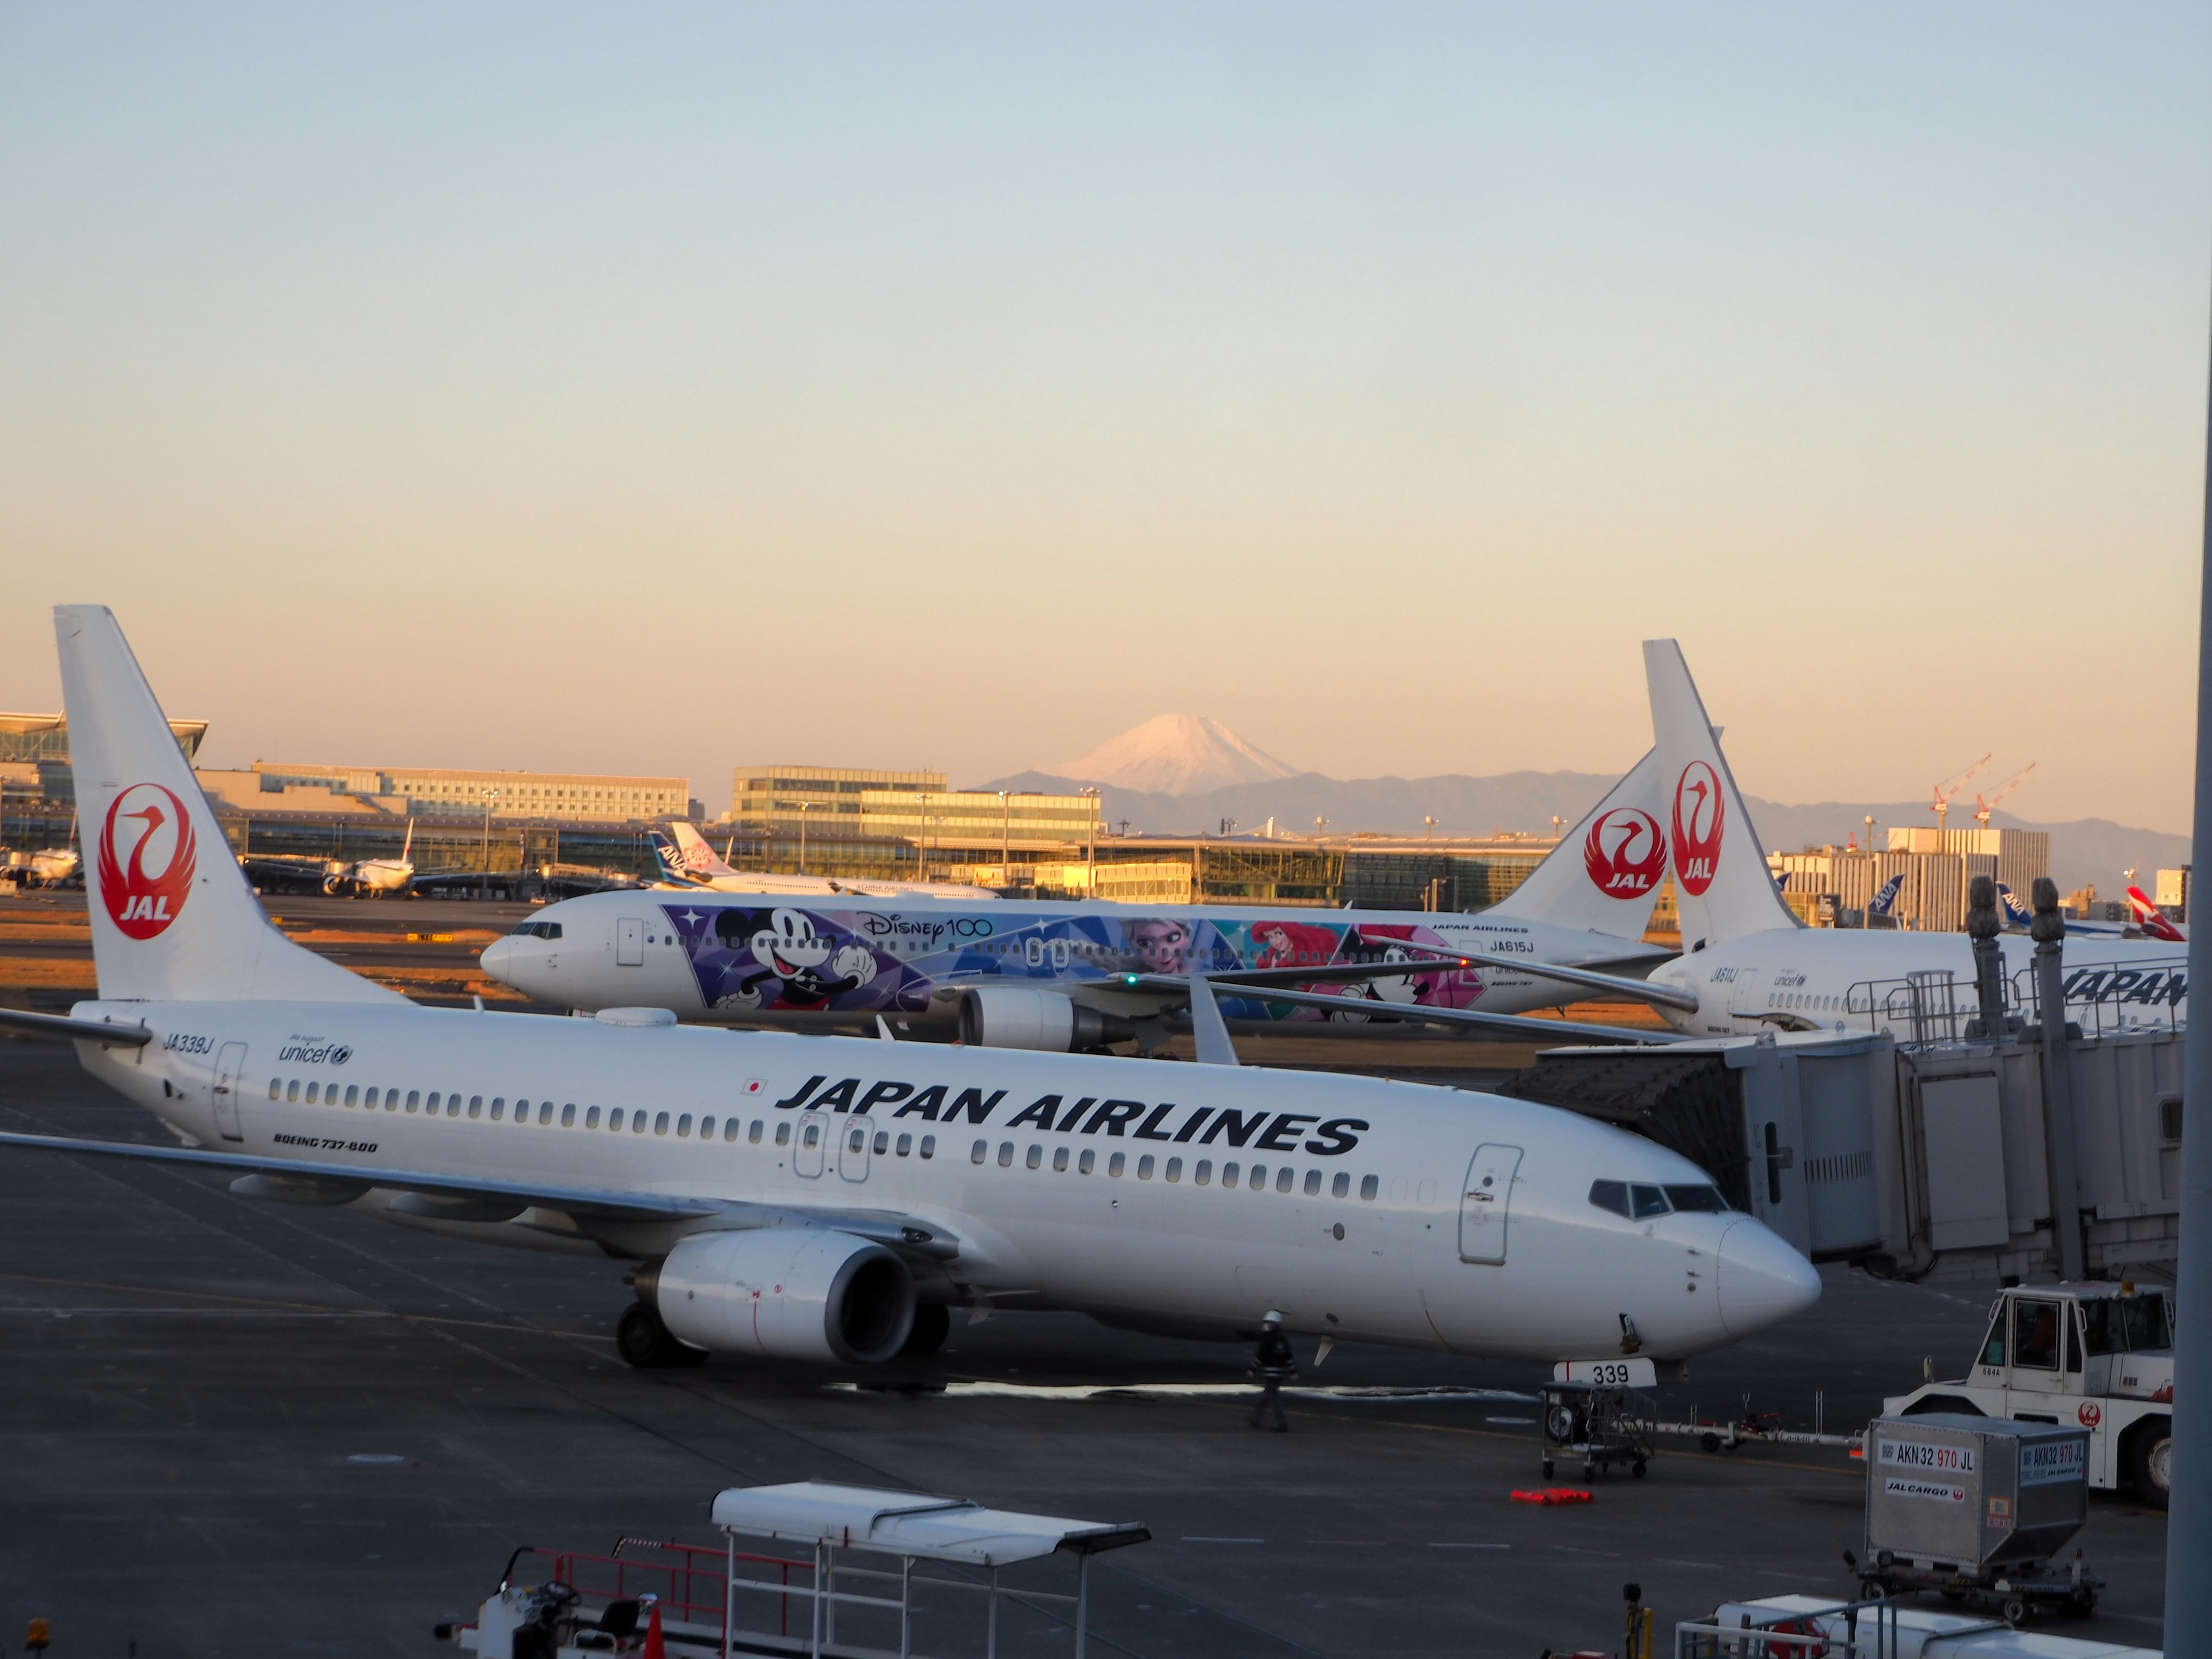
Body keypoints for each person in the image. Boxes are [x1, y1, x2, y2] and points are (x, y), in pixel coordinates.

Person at [1248, 1312, 1297, 1432]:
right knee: (1267, 1396)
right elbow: (1289, 1357)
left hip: (1270, 1374)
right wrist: (1293, 1372)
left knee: (1274, 1400)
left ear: (1273, 1325)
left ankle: (1282, 1425)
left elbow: (1260, 1357)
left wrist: (1252, 1370)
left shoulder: (1267, 1339)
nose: (1266, 1326)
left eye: (1268, 1323)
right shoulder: (1283, 1340)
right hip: (1280, 1374)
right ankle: (1255, 1418)